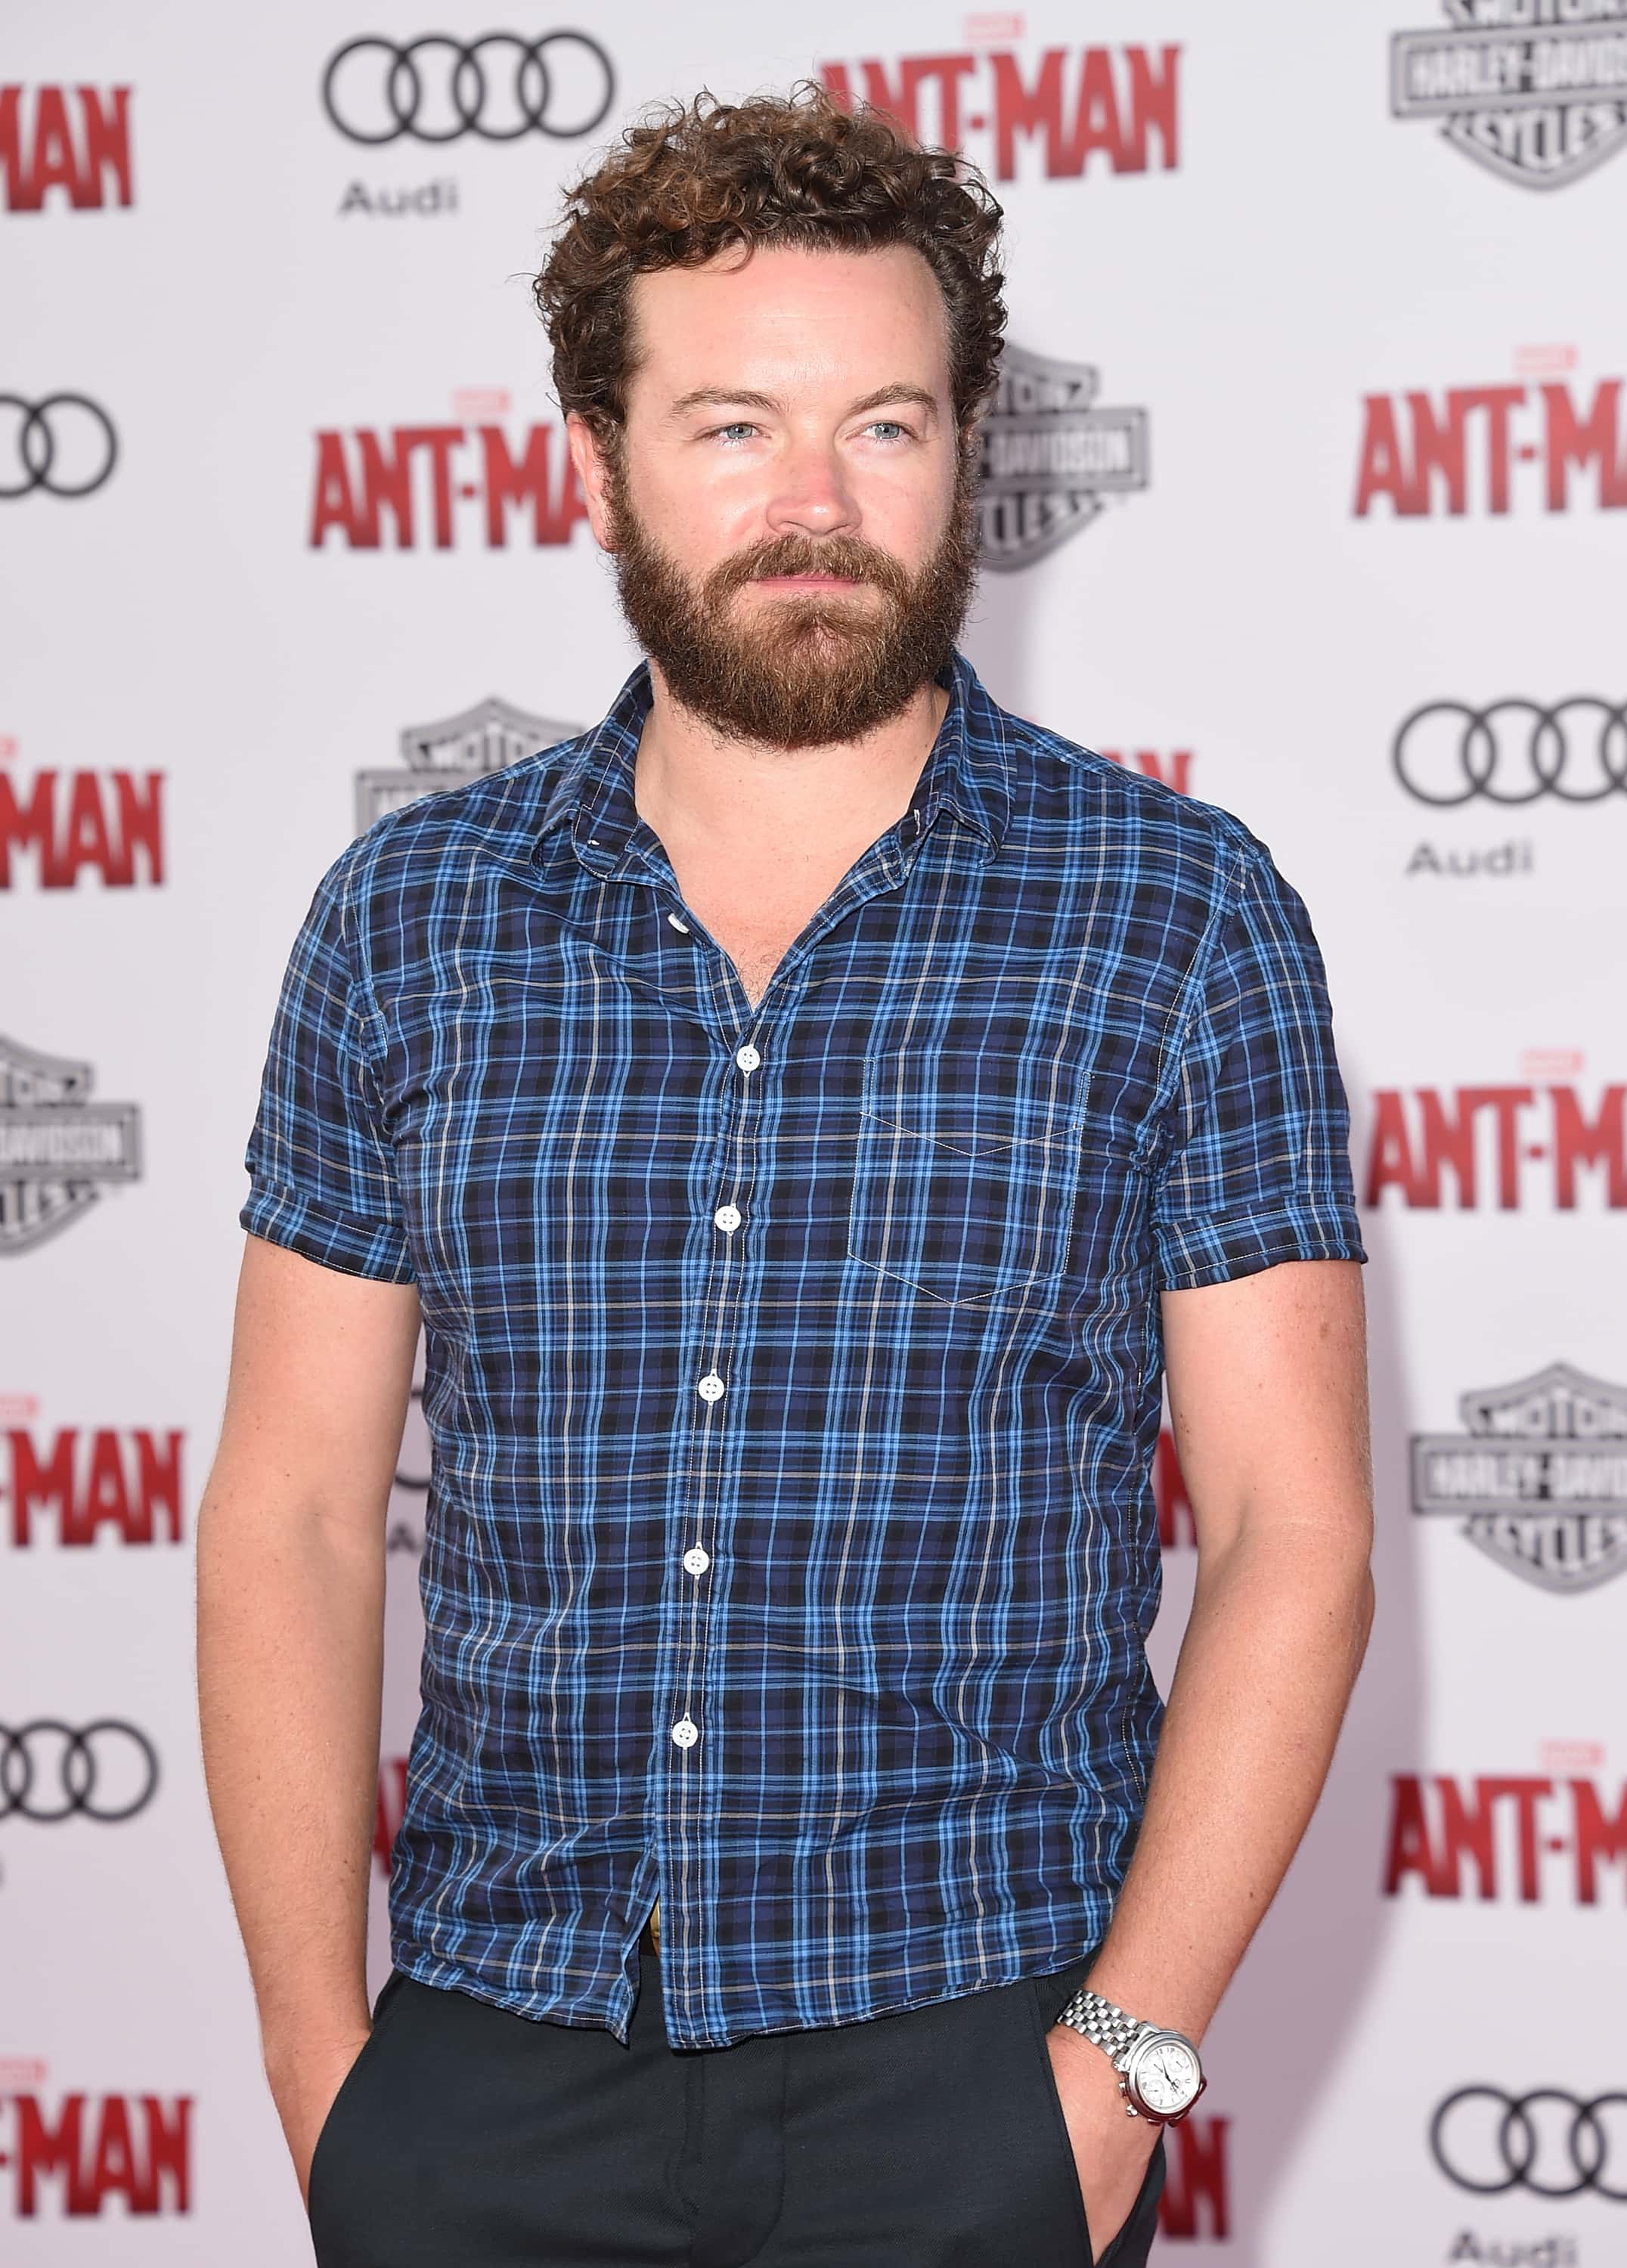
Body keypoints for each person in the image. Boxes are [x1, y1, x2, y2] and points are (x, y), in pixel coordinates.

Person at [197, 83, 1374, 2268]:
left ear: (970, 454)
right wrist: (316, 2070)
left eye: (887, 429)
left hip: (977, 2065)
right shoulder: (408, 921)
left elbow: (1297, 1534)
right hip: (484, 2072)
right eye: (735, 426)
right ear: (597, 460)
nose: (816, 504)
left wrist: (1112, 2090)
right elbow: (285, 1512)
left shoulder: (1180, 916)